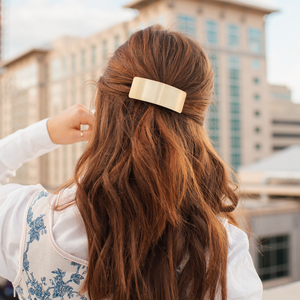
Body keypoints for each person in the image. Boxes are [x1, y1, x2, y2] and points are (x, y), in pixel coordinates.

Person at [0, 25, 262, 300]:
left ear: (100, 103)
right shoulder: (223, 255)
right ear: (196, 122)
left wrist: (46, 132)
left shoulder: (30, 223)